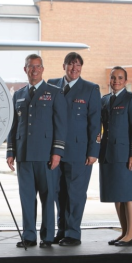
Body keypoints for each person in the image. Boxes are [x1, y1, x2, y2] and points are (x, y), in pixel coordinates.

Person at [7, 54, 66, 248]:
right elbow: (14, 125)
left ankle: (48, 237)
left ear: (43, 69)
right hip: (24, 155)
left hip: (46, 155)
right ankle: (29, 236)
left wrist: (57, 152)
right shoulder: (19, 94)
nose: (34, 69)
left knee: (48, 197)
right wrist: (10, 152)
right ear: (25, 69)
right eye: (31, 66)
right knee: (26, 198)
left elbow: (60, 125)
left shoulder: (54, 92)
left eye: (38, 66)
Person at [48, 52, 101, 246]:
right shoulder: (52, 85)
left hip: (79, 152)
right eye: (71, 65)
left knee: (75, 194)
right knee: (57, 192)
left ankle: (73, 234)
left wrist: (93, 151)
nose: (74, 68)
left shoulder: (90, 89)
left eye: (78, 65)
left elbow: (96, 123)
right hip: (54, 152)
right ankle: (61, 230)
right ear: (64, 66)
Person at [99, 66, 132, 247]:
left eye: (119, 78)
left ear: (125, 81)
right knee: (117, 196)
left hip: (126, 155)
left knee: (128, 195)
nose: (116, 81)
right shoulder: (105, 100)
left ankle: (131, 234)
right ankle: (124, 232)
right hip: (109, 154)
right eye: (113, 77)